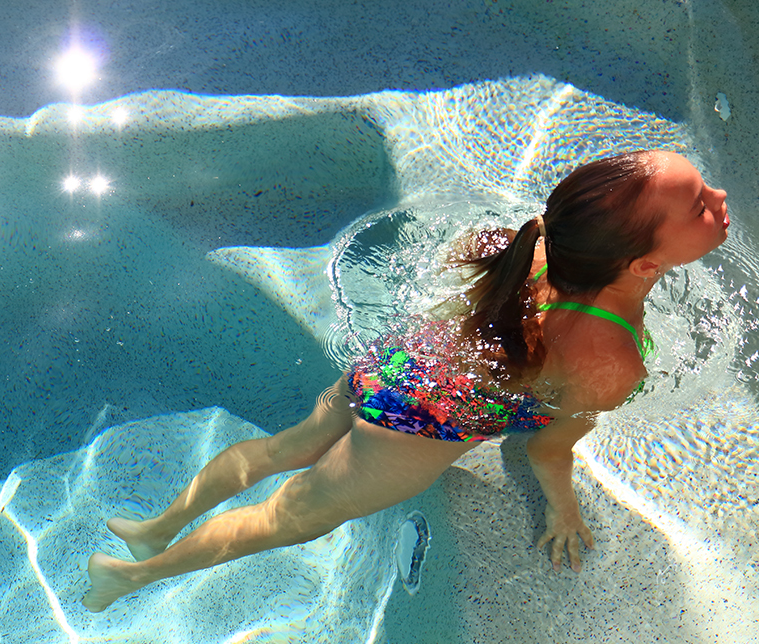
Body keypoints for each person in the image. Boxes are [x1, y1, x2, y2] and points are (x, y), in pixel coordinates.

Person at [81, 150, 731, 612]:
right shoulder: (610, 354)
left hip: (397, 361)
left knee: (285, 450)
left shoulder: (533, 243)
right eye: (700, 204)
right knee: (292, 514)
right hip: (418, 430)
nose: (720, 200)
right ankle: (133, 576)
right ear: (644, 262)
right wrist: (563, 510)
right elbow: (548, 448)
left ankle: (155, 526)